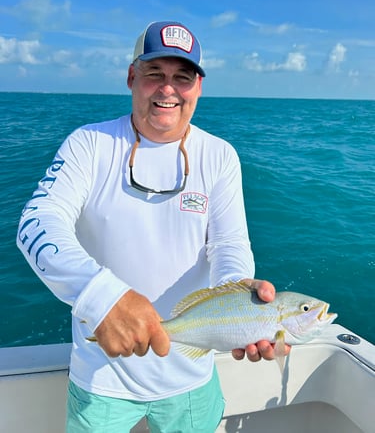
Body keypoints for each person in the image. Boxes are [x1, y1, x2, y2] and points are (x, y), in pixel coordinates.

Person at [17, 21, 289, 432]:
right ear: (131, 77)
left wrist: (239, 300)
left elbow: (229, 243)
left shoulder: (220, 155)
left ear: (198, 87)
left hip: (192, 379)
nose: (168, 90)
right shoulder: (88, 145)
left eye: (182, 77)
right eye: (154, 74)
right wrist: (102, 297)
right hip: (102, 379)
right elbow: (37, 222)